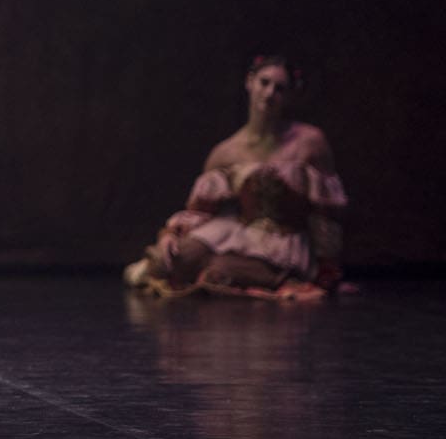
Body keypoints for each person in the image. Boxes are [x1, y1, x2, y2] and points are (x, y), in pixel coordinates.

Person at [123, 55, 349, 300]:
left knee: (221, 269)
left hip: (284, 243)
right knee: (171, 258)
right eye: (264, 83)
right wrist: (172, 235)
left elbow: (326, 214)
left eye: (280, 88)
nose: (269, 93)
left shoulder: (310, 142)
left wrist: (327, 268)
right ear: (249, 82)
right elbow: (200, 212)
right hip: (238, 233)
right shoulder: (226, 152)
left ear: (289, 96)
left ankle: (264, 277)